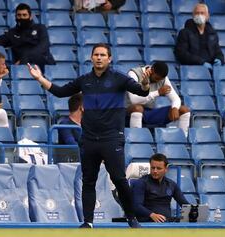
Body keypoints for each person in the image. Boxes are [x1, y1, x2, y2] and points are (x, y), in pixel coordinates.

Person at [27, 43, 150, 228]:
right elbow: (60, 92)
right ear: (91, 58)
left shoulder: (119, 79)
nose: (99, 58)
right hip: (89, 139)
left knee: (119, 179)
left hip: (112, 138)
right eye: (96, 55)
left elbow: (141, 91)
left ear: (109, 59)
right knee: (88, 181)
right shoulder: (84, 80)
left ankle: (131, 217)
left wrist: (146, 82)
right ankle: (88, 222)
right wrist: (40, 78)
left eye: (102, 55)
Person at [0, 3, 55, 72]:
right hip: (23, 69)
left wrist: (24, 59)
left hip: (44, 65)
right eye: (19, 15)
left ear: (30, 16)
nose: (21, 18)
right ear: (15, 16)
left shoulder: (40, 28)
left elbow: (43, 46)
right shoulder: (12, 33)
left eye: (24, 15)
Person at [127, 61, 190, 136]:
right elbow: (134, 100)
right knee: (138, 108)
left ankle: (183, 140)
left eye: (160, 79)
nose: (158, 81)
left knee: (184, 109)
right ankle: (136, 139)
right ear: (152, 70)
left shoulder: (162, 79)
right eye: (157, 78)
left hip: (148, 112)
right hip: (127, 112)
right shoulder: (134, 74)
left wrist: (175, 108)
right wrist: (158, 93)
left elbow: (175, 98)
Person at [131, 153, 189, 222]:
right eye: (153, 168)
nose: (155, 171)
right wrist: (151, 215)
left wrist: (195, 210)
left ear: (166, 169)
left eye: (159, 168)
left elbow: (184, 204)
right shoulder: (141, 183)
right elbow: (136, 206)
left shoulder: (171, 184)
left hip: (166, 224)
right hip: (147, 224)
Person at [175, 3, 224, 70]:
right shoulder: (184, 33)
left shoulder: (212, 33)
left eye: (202, 13)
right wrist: (200, 62)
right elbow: (182, 54)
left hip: (212, 69)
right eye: (197, 13)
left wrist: (219, 59)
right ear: (193, 15)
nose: (199, 15)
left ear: (207, 16)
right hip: (194, 69)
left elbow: (218, 52)